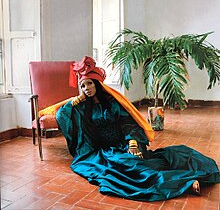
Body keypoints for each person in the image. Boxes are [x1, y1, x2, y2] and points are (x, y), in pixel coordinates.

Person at [41, 56, 219, 201]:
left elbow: (128, 123)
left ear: (98, 84)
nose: (87, 88)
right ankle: (184, 183)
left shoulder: (112, 103)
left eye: (90, 83)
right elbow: (62, 115)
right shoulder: (82, 108)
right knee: (127, 167)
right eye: (83, 85)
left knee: (139, 162)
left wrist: (132, 143)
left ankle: (179, 179)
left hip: (126, 142)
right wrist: (76, 100)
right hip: (105, 151)